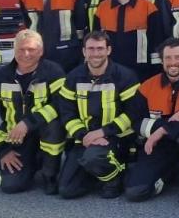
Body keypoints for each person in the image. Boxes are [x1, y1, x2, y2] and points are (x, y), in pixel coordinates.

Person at [56, 30, 146, 199]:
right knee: (67, 190)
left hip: (116, 138)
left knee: (93, 158)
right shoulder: (73, 78)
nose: (95, 53)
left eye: (100, 48)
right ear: (84, 52)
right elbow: (66, 113)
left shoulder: (125, 76)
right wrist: (84, 136)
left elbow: (133, 113)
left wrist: (103, 132)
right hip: (85, 138)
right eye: (91, 49)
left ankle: (114, 178)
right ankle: (97, 172)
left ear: (108, 50)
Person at [126, 37, 179, 208]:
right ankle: (170, 173)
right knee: (135, 192)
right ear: (162, 60)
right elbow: (135, 121)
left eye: (178, 58)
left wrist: (162, 130)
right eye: (168, 58)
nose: (173, 63)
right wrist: (166, 124)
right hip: (158, 147)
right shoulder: (147, 86)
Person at [0, 29, 67, 194]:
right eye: (21, 49)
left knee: (54, 126)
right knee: (10, 186)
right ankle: (32, 163)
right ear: (14, 50)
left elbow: (61, 105)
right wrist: (1, 151)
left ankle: (50, 174)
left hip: (43, 132)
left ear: (41, 51)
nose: (26, 54)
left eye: (32, 50)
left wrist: (28, 123)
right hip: (16, 138)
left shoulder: (53, 72)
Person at [93, 0, 164, 79]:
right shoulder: (102, 8)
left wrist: (155, 70)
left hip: (141, 71)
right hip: (110, 70)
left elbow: (157, 42)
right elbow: (96, 40)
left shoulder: (148, 7)